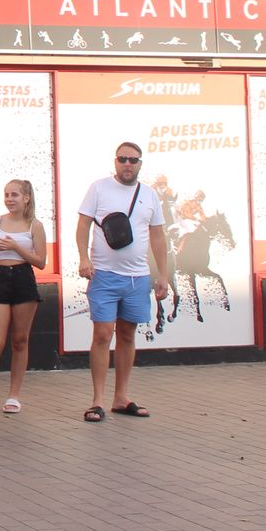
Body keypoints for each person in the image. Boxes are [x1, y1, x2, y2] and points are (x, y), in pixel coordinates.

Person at [75, 141, 172, 423]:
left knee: (128, 334)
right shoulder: (99, 188)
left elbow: (157, 236)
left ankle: (121, 397)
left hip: (138, 277)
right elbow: (82, 225)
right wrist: (84, 258)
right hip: (104, 274)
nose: (127, 164)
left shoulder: (150, 195)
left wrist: (162, 275)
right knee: (103, 335)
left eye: (133, 160)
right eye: (122, 159)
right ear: (115, 162)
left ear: (141, 164)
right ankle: (97, 401)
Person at [0, 179, 46, 413]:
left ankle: (13, 395)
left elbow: (41, 262)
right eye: (6, 195)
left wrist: (17, 247)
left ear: (26, 198)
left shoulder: (35, 225)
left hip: (23, 277)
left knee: (20, 340)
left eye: (14, 195)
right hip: (0, 277)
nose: (10, 199)